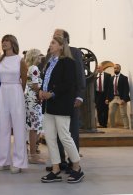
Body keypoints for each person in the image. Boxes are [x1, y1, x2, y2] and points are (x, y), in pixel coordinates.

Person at [39, 35, 85, 183]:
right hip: (48, 105)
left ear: (61, 46)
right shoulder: (50, 61)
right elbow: (46, 80)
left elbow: (69, 84)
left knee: (65, 136)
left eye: (53, 43)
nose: (50, 45)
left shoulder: (68, 62)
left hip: (61, 104)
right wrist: (41, 91)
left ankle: (77, 168)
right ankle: (55, 169)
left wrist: (52, 93)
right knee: (50, 138)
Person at [0, 34, 28, 174]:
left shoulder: (20, 60)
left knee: (19, 127)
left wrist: (19, 91)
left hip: (16, 90)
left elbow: (24, 79)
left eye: (7, 41)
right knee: (2, 126)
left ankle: (19, 162)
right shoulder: (0, 60)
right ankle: (3, 160)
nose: (4, 43)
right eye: (3, 41)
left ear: (13, 43)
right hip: (3, 91)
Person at [24, 48, 45, 164]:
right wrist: (43, 92)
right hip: (34, 99)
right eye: (39, 55)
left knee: (31, 126)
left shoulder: (28, 68)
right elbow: (35, 86)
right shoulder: (35, 68)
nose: (41, 58)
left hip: (28, 98)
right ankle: (33, 155)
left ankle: (30, 153)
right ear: (35, 56)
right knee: (34, 127)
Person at [108, 64, 130, 129]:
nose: (116, 69)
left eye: (117, 68)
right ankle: (112, 127)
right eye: (115, 68)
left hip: (121, 98)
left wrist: (124, 99)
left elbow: (126, 89)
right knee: (111, 113)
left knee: (123, 114)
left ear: (120, 69)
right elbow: (109, 89)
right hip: (113, 98)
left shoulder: (124, 78)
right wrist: (107, 98)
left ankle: (126, 127)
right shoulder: (111, 78)